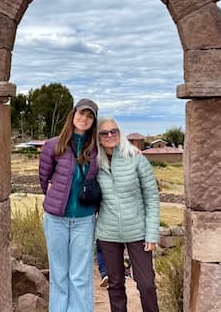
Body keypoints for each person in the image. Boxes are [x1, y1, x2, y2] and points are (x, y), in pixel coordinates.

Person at [39, 98, 100, 312]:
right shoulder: (53, 145)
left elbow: (118, 153)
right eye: (81, 113)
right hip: (56, 220)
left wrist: (136, 152)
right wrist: (56, 200)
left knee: (80, 276)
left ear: (94, 121)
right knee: (59, 275)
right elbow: (43, 178)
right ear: (73, 115)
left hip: (84, 219)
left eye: (90, 116)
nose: (84, 118)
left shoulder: (96, 150)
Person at [95, 117, 160, 312]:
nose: (109, 135)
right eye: (104, 132)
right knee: (115, 285)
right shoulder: (94, 163)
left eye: (114, 131)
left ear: (119, 133)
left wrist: (152, 233)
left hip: (138, 232)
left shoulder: (136, 158)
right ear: (98, 138)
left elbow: (151, 197)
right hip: (108, 233)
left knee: (146, 284)